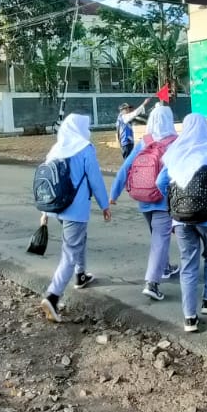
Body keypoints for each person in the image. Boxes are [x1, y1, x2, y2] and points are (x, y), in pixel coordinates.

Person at [156, 114, 207, 333]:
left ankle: (189, 318)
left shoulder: (175, 151)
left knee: (188, 264)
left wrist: (172, 204)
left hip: (180, 218)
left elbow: (160, 181)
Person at [40, 114, 111, 322]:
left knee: (78, 240)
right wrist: (104, 205)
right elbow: (95, 179)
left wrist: (44, 212)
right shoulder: (85, 148)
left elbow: (46, 182)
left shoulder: (55, 149)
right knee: (70, 251)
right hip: (75, 209)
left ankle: (81, 275)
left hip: (56, 206)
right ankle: (52, 296)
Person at [110, 105, 180, 301]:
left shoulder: (145, 142)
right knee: (160, 239)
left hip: (143, 198)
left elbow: (125, 168)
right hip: (163, 200)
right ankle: (152, 283)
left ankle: (165, 267)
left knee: (157, 236)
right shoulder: (174, 142)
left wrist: (113, 194)